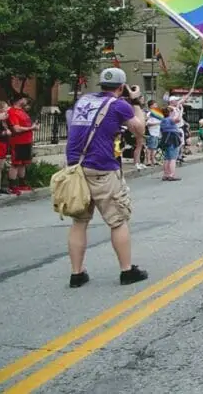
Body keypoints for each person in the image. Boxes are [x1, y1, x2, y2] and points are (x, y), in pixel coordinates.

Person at [64, 67, 149, 288]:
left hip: (76, 167)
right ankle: (126, 271)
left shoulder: (84, 101)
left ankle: (76, 274)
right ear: (121, 87)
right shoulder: (119, 104)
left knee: (79, 221)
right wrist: (137, 101)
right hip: (102, 167)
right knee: (117, 220)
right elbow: (139, 130)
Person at [6, 93, 36, 193]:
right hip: (18, 141)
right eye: (24, 99)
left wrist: (33, 127)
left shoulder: (22, 111)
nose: (26, 100)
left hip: (26, 141)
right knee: (16, 163)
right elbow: (16, 128)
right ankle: (12, 185)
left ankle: (22, 183)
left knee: (23, 163)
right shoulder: (12, 111)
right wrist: (30, 128)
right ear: (19, 100)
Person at [158, 97, 184, 181]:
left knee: (167, 158)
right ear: (169, 113)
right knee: (173, 158)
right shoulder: (170, 120)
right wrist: (181, 111)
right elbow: (178, 119)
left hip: (165, 138)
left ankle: (165, 174)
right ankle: (171, 175)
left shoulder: (162, 121)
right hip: (172, 138)